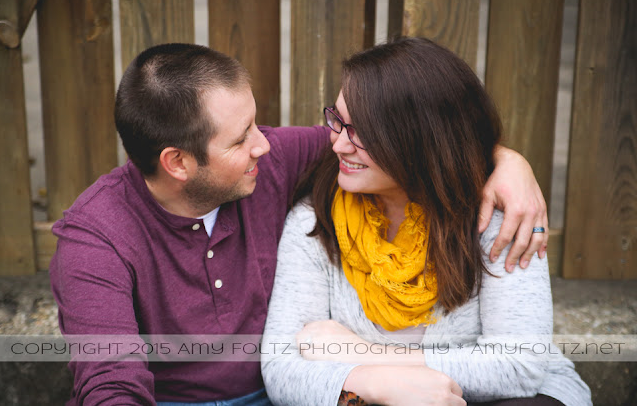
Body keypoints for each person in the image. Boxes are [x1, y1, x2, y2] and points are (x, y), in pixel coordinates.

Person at [50, 42, 549, 405]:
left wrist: (506, 161)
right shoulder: (96, 240)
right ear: (177, 163)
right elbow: (111, 383)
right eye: (241, 138)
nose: (265, 144)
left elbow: (421, 132)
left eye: (256, 124)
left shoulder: (274, 163)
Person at [261, 37, 591, 406]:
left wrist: (367, 356)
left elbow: (517, 367)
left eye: (361, 132)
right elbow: (282, 368)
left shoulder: (498, 218)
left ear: (420, 140)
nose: (338, 144)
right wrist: (378, 387)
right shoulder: (317, 221)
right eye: (337, 120)